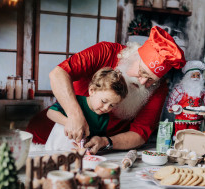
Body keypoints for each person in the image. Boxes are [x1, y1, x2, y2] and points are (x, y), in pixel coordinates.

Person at [26, 26, 186, 150]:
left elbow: (140, 133)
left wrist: (106, 142)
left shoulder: (158, 88)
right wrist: (75, 116)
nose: (144, 82)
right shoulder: (106, 51)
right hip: (44, 136)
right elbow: (58, 73)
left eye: (151, 79)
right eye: (142, 72)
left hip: (89, 147)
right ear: (134, 56)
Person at [45, 67, 128, 153]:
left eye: (112, 105)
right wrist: (70, 122)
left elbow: (91, 139)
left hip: (73, 153)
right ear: (92, 90)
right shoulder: (76, 102)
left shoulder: (104, 119)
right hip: (52, 148)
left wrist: (86, 146)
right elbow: (50, 113)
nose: (107, 108)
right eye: (104, 101)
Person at [167, 60, 205, 135]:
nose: (196, 78)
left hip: (196, 119)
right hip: (182, 118)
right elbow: (171, 101)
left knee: (194, 135)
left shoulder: (202, 91)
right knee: (180, 134)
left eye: (198, 76)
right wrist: (172, 108)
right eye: (193, 75)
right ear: (188, 76)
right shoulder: (180, 89)